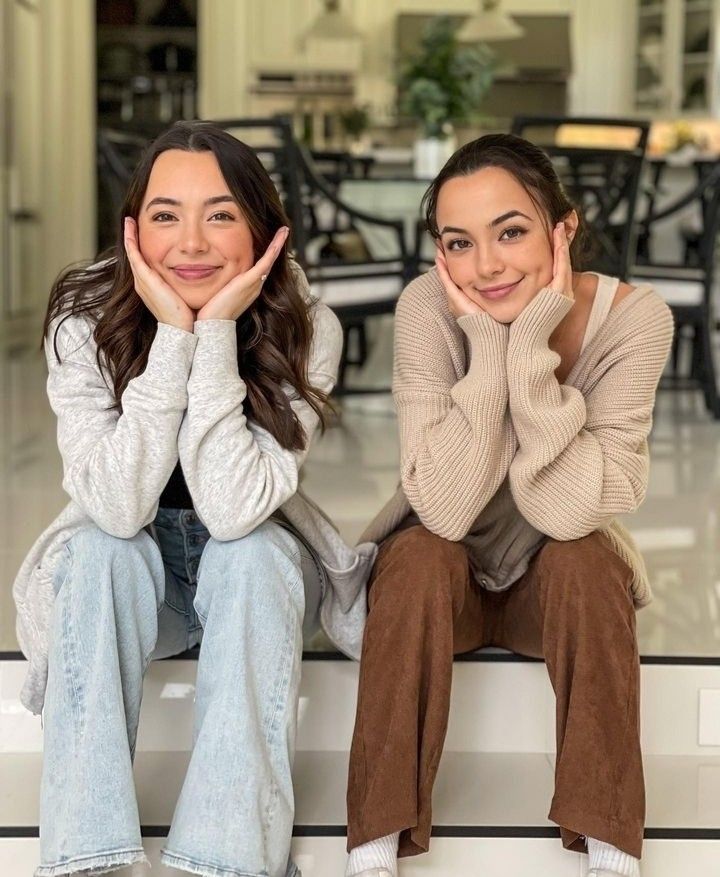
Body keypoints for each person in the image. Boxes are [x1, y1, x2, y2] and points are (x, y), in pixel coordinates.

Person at [12, 120, 375, 877]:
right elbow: (114, 504)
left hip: (258, 584)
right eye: (166, 214)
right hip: (141, 582)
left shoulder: (308, 326)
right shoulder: (85, 317)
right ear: (133, 229)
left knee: (250, 551)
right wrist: (172, 337)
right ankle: (86, 858)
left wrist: (215, 335)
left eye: (220, 214)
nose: (192, 241)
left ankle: (228, 857)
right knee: (97, 548)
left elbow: (237, 506)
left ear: (263, 229)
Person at [344, 134, 674, 877]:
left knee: (589, 562)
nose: (486, 266)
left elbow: (570, 510)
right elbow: (447, 508)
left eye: (512, 232)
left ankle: (609, 840)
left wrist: (528, 345)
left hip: (552, 578)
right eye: (459, 243)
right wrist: (488, 346)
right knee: (420, 553)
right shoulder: (425, 307)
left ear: (565, 228)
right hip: (442, 578)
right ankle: (375, 843)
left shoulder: (636, 318)